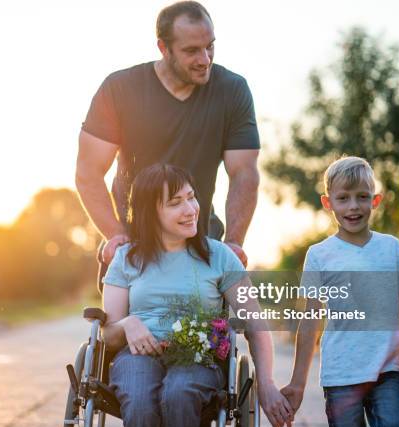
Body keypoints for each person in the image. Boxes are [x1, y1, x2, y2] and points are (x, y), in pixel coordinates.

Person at [101, 164, 293, 427]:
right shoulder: (126, 258)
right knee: (140, 402)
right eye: (176, 203)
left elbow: (254, 323)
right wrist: (128, 324)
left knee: (179, 394)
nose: (190, 209)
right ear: (150, 213)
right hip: (137, 356)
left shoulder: (219, 256)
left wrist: (265, 383)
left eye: (191, 197)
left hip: (199, 356)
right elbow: (108, 334)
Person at [75, 1, 260, 292]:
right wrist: (116, 234)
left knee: (212, 336)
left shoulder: (232, 90)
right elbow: (88, 172)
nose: (205, 59)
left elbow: (244, 173)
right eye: (191, 51)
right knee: (122, 334)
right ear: (163, 48)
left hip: (200, 240)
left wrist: (234, 243)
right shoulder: (120, 89)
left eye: (210, 46)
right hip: (134, 242)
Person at [280, 156, 399, 427]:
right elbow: (310, 321)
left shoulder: (390, 248)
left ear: (375, 200)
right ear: (328, 202)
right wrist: (297, 383)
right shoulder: (319, 255)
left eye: (362, 197)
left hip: (387, 369)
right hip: (341, 374)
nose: (353, 207)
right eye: (343, 198)